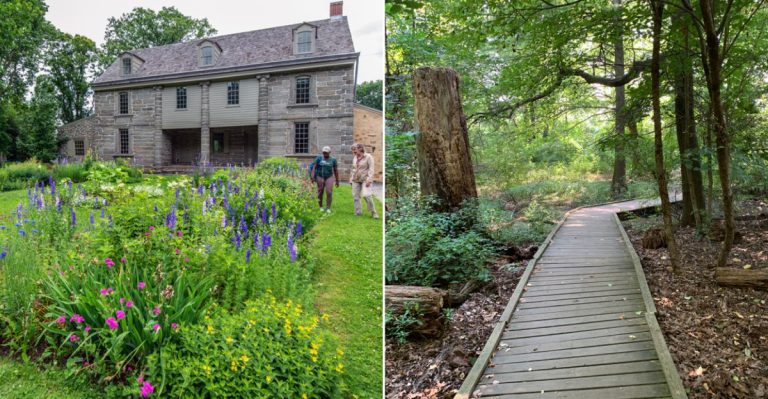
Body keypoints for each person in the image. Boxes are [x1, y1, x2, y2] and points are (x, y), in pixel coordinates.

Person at [349, 143, 379, 219]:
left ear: (360, 149)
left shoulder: (368, 157)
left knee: (367, 195)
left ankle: (374, 212)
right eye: (352, 150)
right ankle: (358, 212)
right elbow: (353, 169)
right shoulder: (355, 157)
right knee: (356, 196)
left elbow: (371, 169)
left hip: (365, 179)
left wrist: (369, 179)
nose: (353, 152)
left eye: (355, 150)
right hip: (355, 179)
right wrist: (351, 178)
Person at [310, 146, 339, 213]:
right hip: (320, 176)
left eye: (326, 152)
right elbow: (314, 168)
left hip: (329, 176)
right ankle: (321, 207)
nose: (325, 154)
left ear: (329, 152)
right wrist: (312, 177)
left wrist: (337, 180)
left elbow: (335, 170)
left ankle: (328, 207)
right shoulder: (319, 158)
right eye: (324, 152)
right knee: (320, 191)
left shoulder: (333, 160)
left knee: (329, 192)